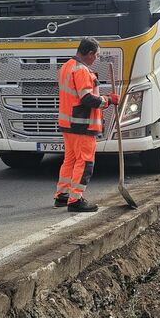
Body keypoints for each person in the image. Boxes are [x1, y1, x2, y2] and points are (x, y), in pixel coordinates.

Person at [54, 38, 119, 212]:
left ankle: (63, 195)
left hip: (68, 123)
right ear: (89, 53)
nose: (96, 58)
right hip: (82, 125)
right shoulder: (81, 70)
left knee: (70, 160)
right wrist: (108, 100)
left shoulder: (67, 66)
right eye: (96, 55)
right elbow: (87, 99)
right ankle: (75, 200)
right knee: (84, 161)